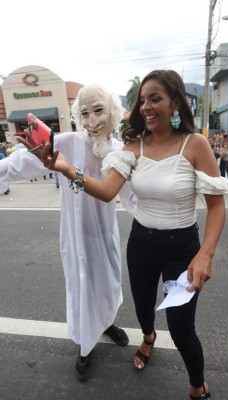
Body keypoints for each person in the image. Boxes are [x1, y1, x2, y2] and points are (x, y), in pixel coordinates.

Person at [25, 70, 228, 399]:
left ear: (175, 103)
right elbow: (107, 191)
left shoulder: (196, 144)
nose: (146, 106)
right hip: (141, 245)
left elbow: (217, 206)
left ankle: (197, 386)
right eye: (142, 100)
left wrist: (205, 253)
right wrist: (66, 168)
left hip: (182, 249)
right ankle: (147, 336)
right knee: (143, 308)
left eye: (156, 99)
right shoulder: (134, 147)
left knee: (181, 330)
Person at [0, 84, 136, 382]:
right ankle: (86, 346)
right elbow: (22, 163)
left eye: (98, 110)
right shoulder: (69, 142)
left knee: (108, 282)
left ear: (112, 111)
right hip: (76, 236)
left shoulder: (120, 152)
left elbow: (133, 197)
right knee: (83, 287)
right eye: (84, 113)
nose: (91, 120)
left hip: (105, 233)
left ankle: (106, 323)